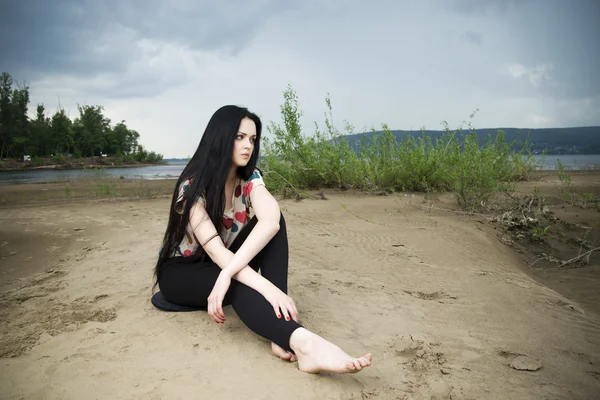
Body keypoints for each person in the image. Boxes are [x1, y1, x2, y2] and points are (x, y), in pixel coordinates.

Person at [153, 105, 372, 374]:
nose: (248, 146)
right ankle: (304, 344)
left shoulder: (250, 177)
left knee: (276, 224)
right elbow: (216, 252)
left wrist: (233, 276)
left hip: (221, 265)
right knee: (239, 281)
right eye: (239, 137)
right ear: (221, 137)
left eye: (252, 139)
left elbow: (270, 221)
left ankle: (280, 332)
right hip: (181, 272)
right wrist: (264, 287)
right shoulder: (192, 187)